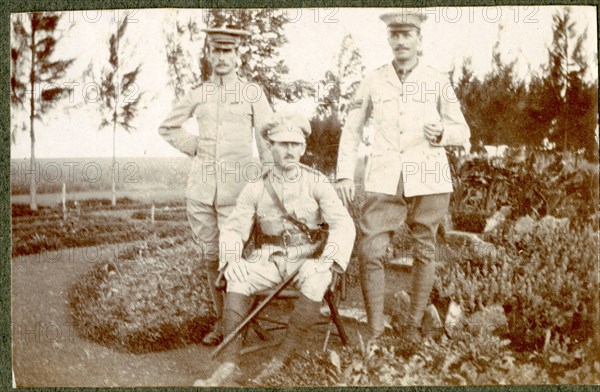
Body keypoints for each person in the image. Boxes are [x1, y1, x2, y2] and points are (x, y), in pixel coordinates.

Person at [335, 10, 470, 346]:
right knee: (371, 250)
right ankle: (376, 330)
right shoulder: (373, 79)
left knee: (425, 248)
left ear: (419, 39)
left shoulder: (437, 79)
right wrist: (343, 174)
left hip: (428, 173)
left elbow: (463, 131)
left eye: (407, 34)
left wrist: (442, 133)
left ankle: (411, 325)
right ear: (388, 39)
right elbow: (351, 129)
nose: (400, 41)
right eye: (394, 35)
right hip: (384, 174)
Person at [193, 109, 355, 386]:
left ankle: (280, 361)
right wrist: (232, 260)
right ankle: (229, 365)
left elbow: (343, 224)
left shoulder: (316, 182)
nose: (289, 151)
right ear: (271, 146)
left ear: (303, 147)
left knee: (317, 280)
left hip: (308, 258)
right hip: (268, 259)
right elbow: (233, 228)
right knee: (237, 276)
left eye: (294, 144)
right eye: (282, 144)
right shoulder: (256, 187)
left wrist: (327, 260)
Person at [158, 25, 273, 346]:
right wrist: (194, 146)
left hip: (238, 194)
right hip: (201, 192)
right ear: (208, 54)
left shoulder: (253, 94)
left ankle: (237, 325)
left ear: (239, 56)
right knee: (211, 258)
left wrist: (269, 183)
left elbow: (267, 141)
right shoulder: (198, 93)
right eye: (216, 51)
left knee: (233, 258)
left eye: (228, 51)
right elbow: (167, 127)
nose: (222, 58)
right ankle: (224, 324)